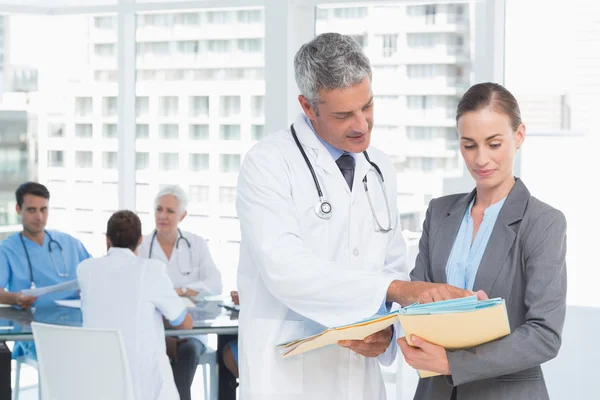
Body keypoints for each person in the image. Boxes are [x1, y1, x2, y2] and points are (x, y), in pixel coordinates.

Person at [235, 32, 474, 400]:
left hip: (358, 379)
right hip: (286, 380)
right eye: (343, 115)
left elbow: (392, 262)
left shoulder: (379, 167)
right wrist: (394, 291)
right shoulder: (268, 163)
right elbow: (285, 269)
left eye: (368, 106)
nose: (361, 125)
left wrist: (386, 332)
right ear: (308, 106)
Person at [397, 82, 567, 400]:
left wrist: (452, 362)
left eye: (493, 143)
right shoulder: (439, 212)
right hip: (433, 391)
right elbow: (416, 298)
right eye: (469, 145)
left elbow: (545, 334)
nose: (481, 159)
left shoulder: (543, 222)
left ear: (519, 136)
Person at [78, 210, 193, 400]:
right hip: (143, 385)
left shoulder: (85, 270)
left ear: (107, 240)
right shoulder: (152, 270)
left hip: (99, 382)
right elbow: (185, 323)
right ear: (140, 240)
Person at [137, 185, 222, 400]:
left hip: (189, 330)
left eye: (170, 211)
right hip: (154, 328)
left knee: (187, 352)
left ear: (182, 216)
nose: (162, 216)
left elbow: (215, 284)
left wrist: (180, 290)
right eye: (159, 209)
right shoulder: (141, 245)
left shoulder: (196, 244)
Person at [0, 182, 91, 359]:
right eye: (32, 210)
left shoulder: (69, 243)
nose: (39, 217)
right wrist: (15, 298)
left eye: (44, 209)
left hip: (77, 328)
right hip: (35, 333)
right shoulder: (7, 249)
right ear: (18, 209)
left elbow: (95, 274)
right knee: (65, 359)